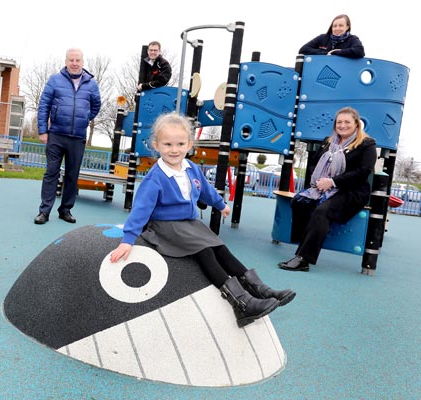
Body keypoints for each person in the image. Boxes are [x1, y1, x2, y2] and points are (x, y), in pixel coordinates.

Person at [110, 112, 295, 328]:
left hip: (189, 223)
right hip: (165, 226)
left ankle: (260, 290)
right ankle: (241, 304)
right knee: (204, 251)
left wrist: (221, 204)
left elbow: (205, 191)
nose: (174, 149)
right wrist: (128, 239)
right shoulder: (155, 178)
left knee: (220, 247)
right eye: (167, 144)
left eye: (180, 144)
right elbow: (140, 210)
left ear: (189, 144)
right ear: (156, 145)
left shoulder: (192, 169)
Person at [279, 107, 377, 272]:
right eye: (339, 122)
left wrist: (332, 181)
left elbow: (363, 172)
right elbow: (314, 163)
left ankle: (303, 259)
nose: (342, 125)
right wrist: (319, 182)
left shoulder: (366, 145)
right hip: (324, 186)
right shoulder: (328, 142)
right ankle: (302, 243)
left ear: (356, 125)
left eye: (347, 122)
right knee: (299, 201)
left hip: (352, 191)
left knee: (322, 211)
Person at [34, 48, 101, 225]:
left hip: (77, 137)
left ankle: (65, 210)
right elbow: (44, 106)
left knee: (73, 175)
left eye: (77, 60)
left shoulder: (91, 84)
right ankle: (44, 211)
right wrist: (43, 130)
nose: (74, 63)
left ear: (83, 62)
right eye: (71, 60)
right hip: (56, 134)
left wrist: (84, 119)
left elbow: (95, 107)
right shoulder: (55, 80)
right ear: (66, 61)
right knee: (51, 173)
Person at [299, 14, 365, 58]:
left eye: (341, 25)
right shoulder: (322, 38)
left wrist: (338, 52)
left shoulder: (353, 39)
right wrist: (326, 53)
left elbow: (360, 51)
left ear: (347, 27)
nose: (337, 28)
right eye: (334, 26)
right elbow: (303, 50)